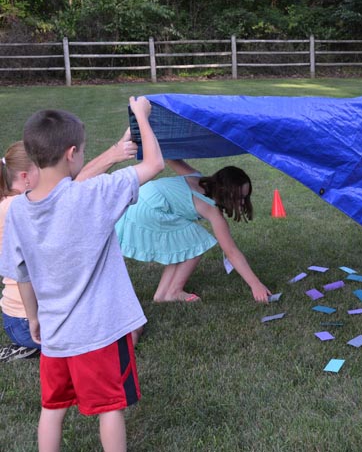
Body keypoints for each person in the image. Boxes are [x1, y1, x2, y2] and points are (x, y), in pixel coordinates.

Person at [0, 97, 164, 451]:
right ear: (73, 153)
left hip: (55, 337)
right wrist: (141, 116)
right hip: (100, 333)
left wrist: (33, 319)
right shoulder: (94, 194)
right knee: (111, 408)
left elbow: (20, 273)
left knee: (51, 408)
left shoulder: (17, 212)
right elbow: (154, 163)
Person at [0, 133, 139, 363]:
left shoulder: (17, 203)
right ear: (26, 176)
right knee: (127, 331)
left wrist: (116, 152)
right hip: (28, 321)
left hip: (24, 316)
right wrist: (114, 153)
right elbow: (75, 191)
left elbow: (72, 190)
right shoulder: (19, 207)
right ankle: (35, 347)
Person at [115, 159, 271, 304]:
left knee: (183, 243)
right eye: (238, 197)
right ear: (224, 191)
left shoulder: (196, 176)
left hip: (141, 199)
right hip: (149, 210)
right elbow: (231, 252)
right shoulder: (211, 209)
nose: (242, 202)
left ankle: (162, 294)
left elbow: (171, 159)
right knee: (197, 241)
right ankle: (173, 292)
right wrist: (255, 285)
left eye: (245, 197)